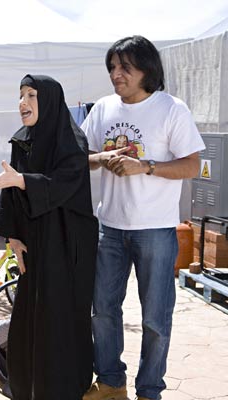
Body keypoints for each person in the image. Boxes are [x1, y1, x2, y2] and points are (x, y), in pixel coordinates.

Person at [81, 36, 205, 400]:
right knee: (102, 310)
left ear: (146, 70)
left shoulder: (172, 109)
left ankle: (149, 391)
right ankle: (110, 383)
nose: (116, 75)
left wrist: (144, 166)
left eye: (124, 67)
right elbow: (80, 155)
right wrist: (102, 159)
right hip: (110, 228)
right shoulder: (103, 108)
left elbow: (193, 165)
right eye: (113, 67)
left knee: (155, 318)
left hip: (155, 231)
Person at [0, 75, 98, 400]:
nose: (23, 102)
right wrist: (12, 236)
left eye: (31, 95)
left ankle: (65, 387)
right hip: (34, 240)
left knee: (61, 315)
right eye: (20, 94)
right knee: (30, 314)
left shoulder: (71, 141)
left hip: (67, 245)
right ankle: (27, 386)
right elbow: (11, 187)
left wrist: (24, 181)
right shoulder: (23, 140)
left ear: (48, 100)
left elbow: (65, 183)